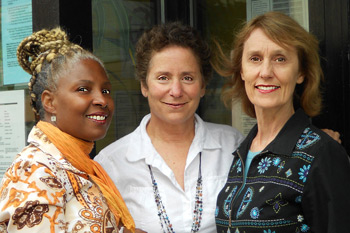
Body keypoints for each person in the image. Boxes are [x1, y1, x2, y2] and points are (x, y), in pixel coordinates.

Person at [94, 22, 244, 233]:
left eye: (187, 78)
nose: (176, 90)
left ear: (202, 86)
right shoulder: (110, 164)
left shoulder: (233, 145)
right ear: (144, 86)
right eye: (163, 78)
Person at [214, 11, 350, 233]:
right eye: (255, 59)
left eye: (280, 59)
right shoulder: (240, 153)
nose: (266, 72)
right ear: (242, 70)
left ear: (301, 73)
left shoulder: (321, 153)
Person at [0, 28, 136, 233]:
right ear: (50, 102)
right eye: (84, 89)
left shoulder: (79, 166)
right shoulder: (37, 169)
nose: (102, 100)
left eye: (106, 90)